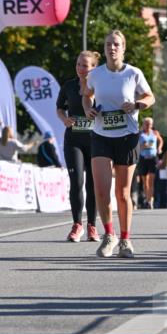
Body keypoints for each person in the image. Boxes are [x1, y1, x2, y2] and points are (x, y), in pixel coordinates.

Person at [82, 30, 154, 258]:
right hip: (101, 135)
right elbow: (87, 95)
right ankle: (109, 235)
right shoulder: (96, 74)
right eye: (108, 44)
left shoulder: (134, 73)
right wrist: (88, 108)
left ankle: (125, 239)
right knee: (102, 191)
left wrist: (137, 105)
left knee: (122, 193)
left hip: (127, 136)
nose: (111, 48)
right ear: (104, 49)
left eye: (116, 44)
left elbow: (150, 97)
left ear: (123, 48)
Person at [56, 50, 100, 242]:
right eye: (79, 65)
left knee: (93, 185)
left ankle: (92, 226)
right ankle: (77, 225)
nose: (81, 69)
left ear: (94, 67)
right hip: (73, 139)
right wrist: (65, 119)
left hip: (96, 140)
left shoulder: (100, 86)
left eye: (86, 65)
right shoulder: (69, 86)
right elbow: (59, 107)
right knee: (76, 183)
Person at [137, 116, 163, 209]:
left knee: (151, 180)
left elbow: (161, 141)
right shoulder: (140, 134)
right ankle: (146, 197)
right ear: (143, 125)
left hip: (152, 158)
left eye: (150, 124)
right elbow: (136, 145)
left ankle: (149, 200)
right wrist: (141, 147)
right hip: (143, 158)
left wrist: (159, 148)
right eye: (146, 124)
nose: (148, 126)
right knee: (145, 182)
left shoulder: (155, 133)